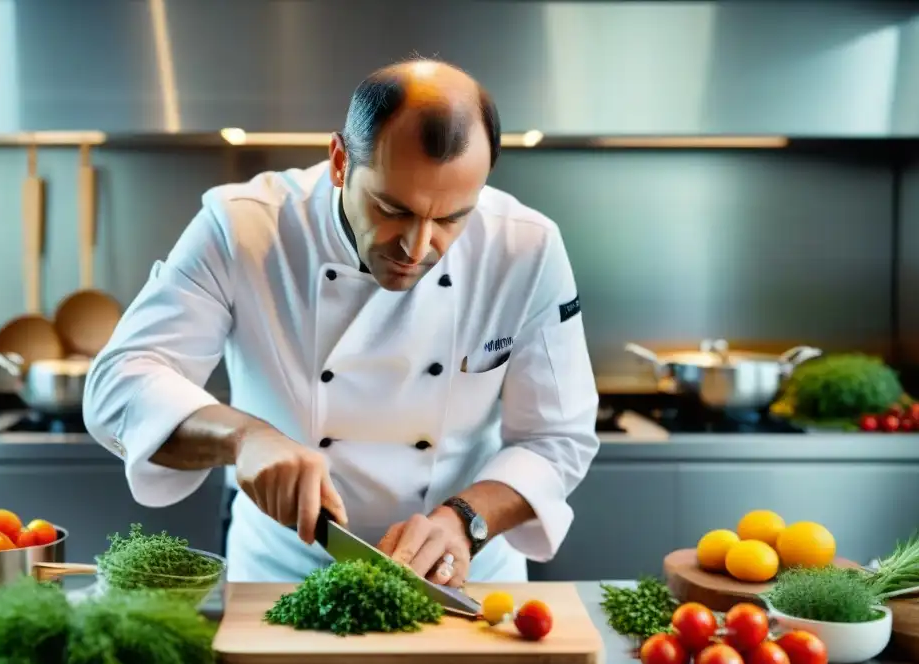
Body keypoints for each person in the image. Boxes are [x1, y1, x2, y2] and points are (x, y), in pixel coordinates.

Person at [82, 58, 600, 586]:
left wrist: (466, 521)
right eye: (391, 207)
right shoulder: (242, 226)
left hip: (460, 578)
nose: (418, 248)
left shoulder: (527, 247)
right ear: (339, 162)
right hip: (280, 577)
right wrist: (243, 438)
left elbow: (557, 438)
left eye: (450, 218)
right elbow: (119, 382)